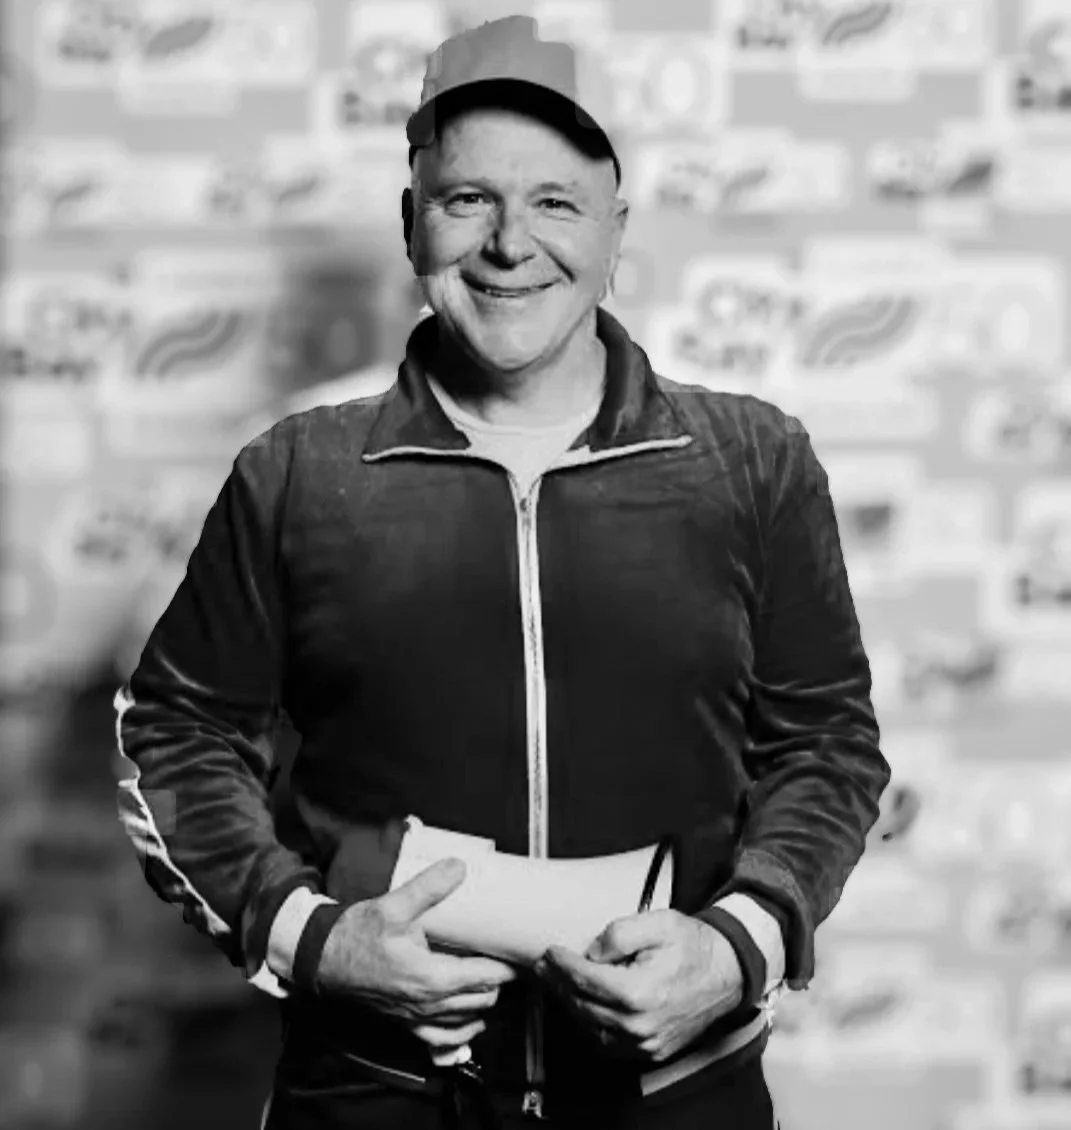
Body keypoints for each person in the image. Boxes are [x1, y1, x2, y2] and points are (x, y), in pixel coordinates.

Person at [112, 15, 890, 1130]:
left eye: (556, 202)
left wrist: (737, 947)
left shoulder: (752, 463)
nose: (510, 243)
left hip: (673, 1099)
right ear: (412, 225)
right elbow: (174, 733)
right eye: (468, 198)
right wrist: (314, 938)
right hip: (373, 1098)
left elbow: (826, 747)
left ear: (617, 233)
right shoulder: (297, 473)